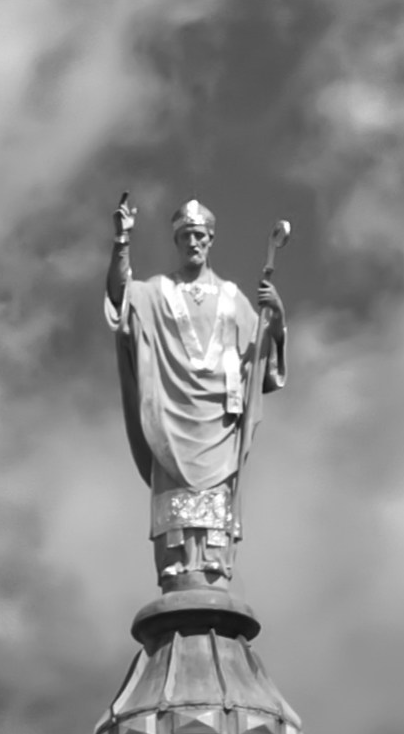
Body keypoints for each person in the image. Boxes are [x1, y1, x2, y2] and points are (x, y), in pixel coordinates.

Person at [103, 191, 287, 581]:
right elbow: (122, 297)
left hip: (217, 420)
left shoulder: (232, 298)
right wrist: (122, 242)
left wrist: (277, 318)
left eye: (199, 236)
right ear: (176, 241)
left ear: (211, 241)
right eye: (185, 236)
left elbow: (261, 359)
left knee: (217, 498)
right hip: (171, 416)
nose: (193, 243)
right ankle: (178, 564)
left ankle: (213, 564)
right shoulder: (156, 292)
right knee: (174, 496)